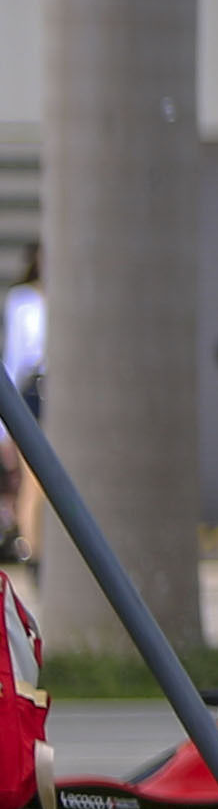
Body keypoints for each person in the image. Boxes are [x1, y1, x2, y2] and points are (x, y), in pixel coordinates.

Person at [1, 239, 43, 567]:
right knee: (35, 478)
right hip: (36, 390)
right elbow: (15, 359)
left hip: (68, 390)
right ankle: (33, 551)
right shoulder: (23, 299)